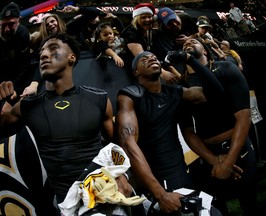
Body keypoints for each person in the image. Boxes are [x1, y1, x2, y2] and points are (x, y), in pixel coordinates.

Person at [0, 33, 131, 209]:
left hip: (105, 196)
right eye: (42, 53)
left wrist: (123, 175)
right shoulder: (27, 106)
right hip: (64, 203)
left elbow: (115, 143)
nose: (44, 55)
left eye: (53, 49)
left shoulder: (98, 99)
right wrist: (6, 102)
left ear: (72, 57)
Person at [115, 51, 229, 215]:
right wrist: (160, 194)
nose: (151, 58)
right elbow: (128, 143)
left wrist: (190, 60)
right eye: (144, 59)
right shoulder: (130, 96)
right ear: (136, 72)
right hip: (158, 181)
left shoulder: (174, 92)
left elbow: (215, 93)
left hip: (181, 172)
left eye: (154, 57)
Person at [175, 38, 257, 216]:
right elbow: (187, 132)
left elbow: (244, 116)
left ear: (204, 50)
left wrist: (229, 161)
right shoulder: (180, 85)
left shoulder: (226, 68)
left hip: (238, 147)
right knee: (215, 206)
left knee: (249, 201)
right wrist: (215, 161)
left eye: (193, 41)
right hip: (208, 154)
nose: (187, 43)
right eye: (184, 44)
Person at [121, 3, 175, 83]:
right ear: (137, 18)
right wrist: (162, 72)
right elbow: (143, 56)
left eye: (149, 17)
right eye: (143, 17)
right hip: (130, 74)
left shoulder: (148, 31)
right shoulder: (130, 32)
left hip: (143, 70)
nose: (147, 20)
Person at [0, 2, 33, 112]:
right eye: (3, 24)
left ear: (19, 19)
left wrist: (15, 89)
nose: (7, 29)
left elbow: (24, 66)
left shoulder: (23, 34)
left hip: (16, 81)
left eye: (11, 24)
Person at [152, 7, 198, 74]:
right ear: (164, 25)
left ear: (176, 15)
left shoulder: (185, 17)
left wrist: (188, 38)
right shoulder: (162, 32)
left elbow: (197, 34)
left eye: (174, 19)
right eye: (170, 23)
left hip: (189, 41)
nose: (175, 24)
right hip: (174, 49)